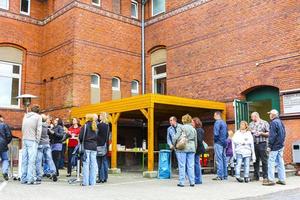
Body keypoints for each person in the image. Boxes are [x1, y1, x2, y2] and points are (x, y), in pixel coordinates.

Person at [263, 109, 286, 186]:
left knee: (271, 163)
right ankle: (282, 179)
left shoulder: (273, 123)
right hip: (281, 145)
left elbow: (272, 136)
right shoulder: (280, 121)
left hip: (275, 146)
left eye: (270, 114)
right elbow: (284, 133)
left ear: (273, 115)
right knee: (280, 163)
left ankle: (271, 180)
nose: (269, 115)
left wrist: (269, 146)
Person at [173, 114, 197, 187]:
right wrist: (195, 149)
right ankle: (192, 182)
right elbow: (195, 141)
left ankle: (182, 182)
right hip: (192, 148)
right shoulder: (193, 129)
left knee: (182, 165)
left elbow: (175, 138)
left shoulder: (181, 127)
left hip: (182, 147)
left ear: (183, 120)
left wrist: (174, 145)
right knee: (191, 166)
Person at [21, 105, 42, 185]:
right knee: (32, 160)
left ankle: (23, 178)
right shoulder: (38, 117)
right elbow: (39, 129)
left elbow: (22, 128)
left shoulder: (25, 116)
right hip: (32, 140)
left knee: (24, 160)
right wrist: (37, 140)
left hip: (24, 139)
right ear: (38, 111)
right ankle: (30, 179)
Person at [36, 114, 57, 182]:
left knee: (39, 161)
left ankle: (39, 176)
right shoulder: (47, 126)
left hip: (40, 144)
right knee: (49, 159)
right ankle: (53, 172)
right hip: (47, 144)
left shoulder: (38, 126)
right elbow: (51, 133)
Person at [249, 112, 270, 183]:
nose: (251, 118)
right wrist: (251, 132)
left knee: (264, 161)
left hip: (262, 143)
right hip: (254, 144)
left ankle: (265, 177)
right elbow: (248, 133)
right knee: (255, 160)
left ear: (256, 116)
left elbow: (269, 133)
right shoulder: (251, 124)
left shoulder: (264, 123)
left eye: (252, 117)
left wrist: (261, 133)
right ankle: (256, 176)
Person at [79, 114, 98, 186]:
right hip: (94, 147)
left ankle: (85, 182)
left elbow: (80, 137)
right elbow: (97, 137)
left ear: (87, 118)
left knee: (86, 164)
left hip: (86, 147)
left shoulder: (85, 126)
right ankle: (93, 182)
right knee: (93, 165)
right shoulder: (95, 126)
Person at [212, 111, 228, 181]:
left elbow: (216, 133)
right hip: (224, 142)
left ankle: (219, 175)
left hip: (218, 142)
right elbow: (227, 134)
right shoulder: (224, 123)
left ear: (217, 115)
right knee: (224, 158)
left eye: (214, 115)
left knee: (219, 159)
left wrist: (215, 141)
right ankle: (225, 175)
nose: (213, 117)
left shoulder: (217, 122)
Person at [96, 112, 110, 183]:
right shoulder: (107, 126)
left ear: (103, 117)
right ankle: (105, 177)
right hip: (105, 146)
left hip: (99, 145)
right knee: (104, 162)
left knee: (99, 162)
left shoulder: (99, 125)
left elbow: (96, 136)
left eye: (100, 115)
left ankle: (100, 178)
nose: (99, 116)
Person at [192, 117, 205, 185]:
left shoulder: (198, 130)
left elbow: (199, 140)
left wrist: (195, 146)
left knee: (196, 164)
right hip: (198, 149)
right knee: (197, 163)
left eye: (192, 122)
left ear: (195, 123)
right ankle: (198, 178)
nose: (191, 124)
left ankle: (198, 179)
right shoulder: (200, 129)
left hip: (197, 149)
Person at [0, 115, 12, 181]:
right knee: (5, 159)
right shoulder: (4, 125)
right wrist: (6, 142)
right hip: (3, 144)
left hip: (3, 143)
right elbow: (9, 136)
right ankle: (5, 172)